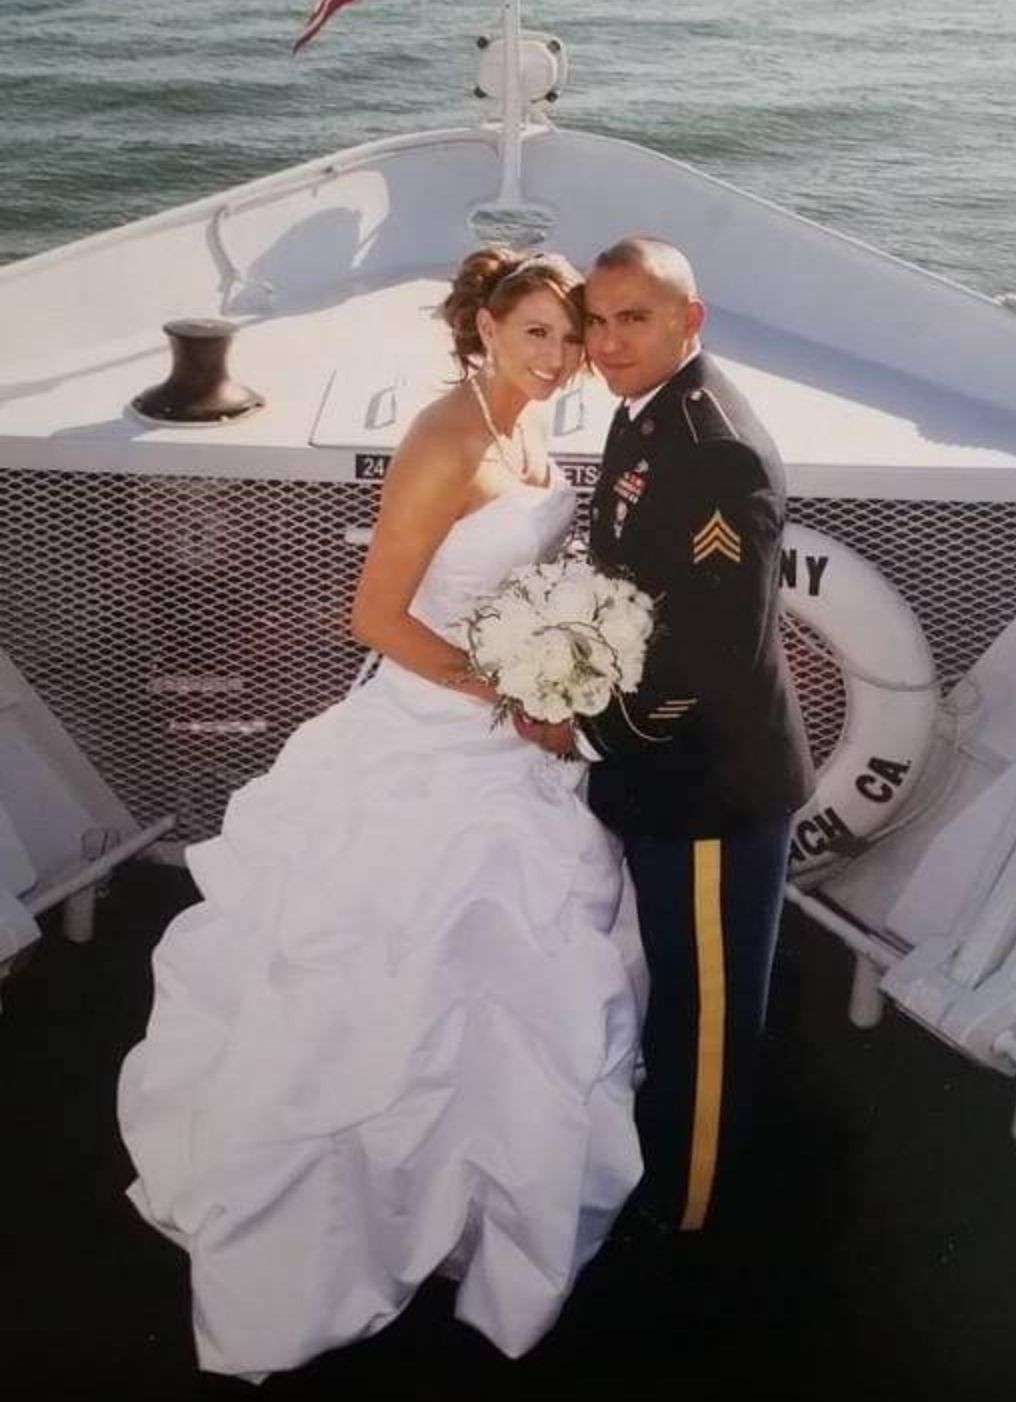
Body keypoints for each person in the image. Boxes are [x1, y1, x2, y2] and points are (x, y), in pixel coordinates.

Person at [117, 247, 644, 1377]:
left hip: (510, 749)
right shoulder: (449, 436)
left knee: (512, 988)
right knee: (379, 993)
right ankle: (329, 1241)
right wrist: (510, 686)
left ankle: (468, 1207)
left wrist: (553, 664)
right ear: (486, 330)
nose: (559, 358)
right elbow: (376, 615)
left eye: (571, 335)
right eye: (538, 334)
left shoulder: (532, 429)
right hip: (425, 738)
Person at [519, 235, 813, 1237]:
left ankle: (690, 1230)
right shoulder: (644, 420)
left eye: (631, 318)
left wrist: (582, 725)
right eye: (594, 321)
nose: (606, 341)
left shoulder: (714, 447)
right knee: (678, 998)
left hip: (709, 789)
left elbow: (710, 658)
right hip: (664, 779)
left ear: (692, 319)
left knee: (706, 1023)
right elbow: (630, 589)